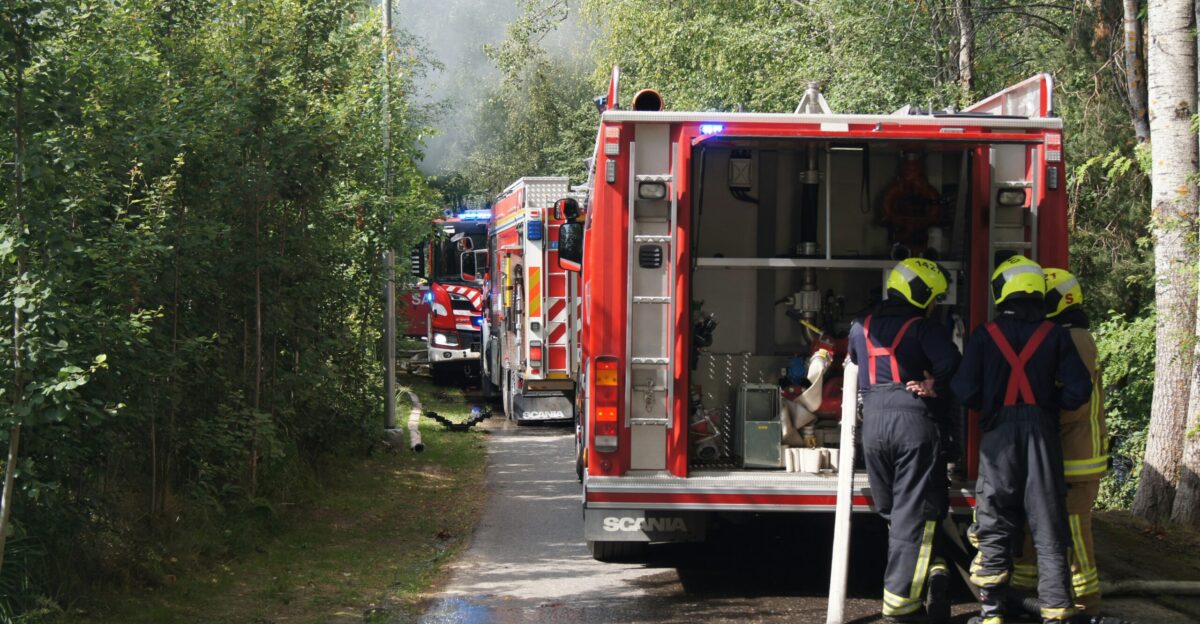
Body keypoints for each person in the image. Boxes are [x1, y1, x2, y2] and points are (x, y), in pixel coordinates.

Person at [951, 255, 1093, 624]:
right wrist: (1047, 407)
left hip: (999, 438)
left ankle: (992, 612)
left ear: (1003, 291)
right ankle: (1057, 611)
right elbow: (1079, 390)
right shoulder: (1057, 335)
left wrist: (993, 406)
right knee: (1048, 525)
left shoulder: (986, 335)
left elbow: (963, 390)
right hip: (1043, 436)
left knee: (994, 522)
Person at [847, 257, 961, 623]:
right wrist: (932, 385)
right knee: (916, 514)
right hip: (914, 422)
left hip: (874, 427)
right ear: (924, 294)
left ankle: (935, 570)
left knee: (893, 512)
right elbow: (953, 366)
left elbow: (854, 362)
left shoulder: (859, 327)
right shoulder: (926, 329)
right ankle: (901, 605)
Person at [1009, 268, 1108, 616]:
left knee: (1074, 530)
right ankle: (1023, 591)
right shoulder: (1063, 334)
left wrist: (1035, 415)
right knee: (1035, 522)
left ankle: (1086, 603)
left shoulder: (1076, 338)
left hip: (1076, 457)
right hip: (1059, 452)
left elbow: (1075, 403)